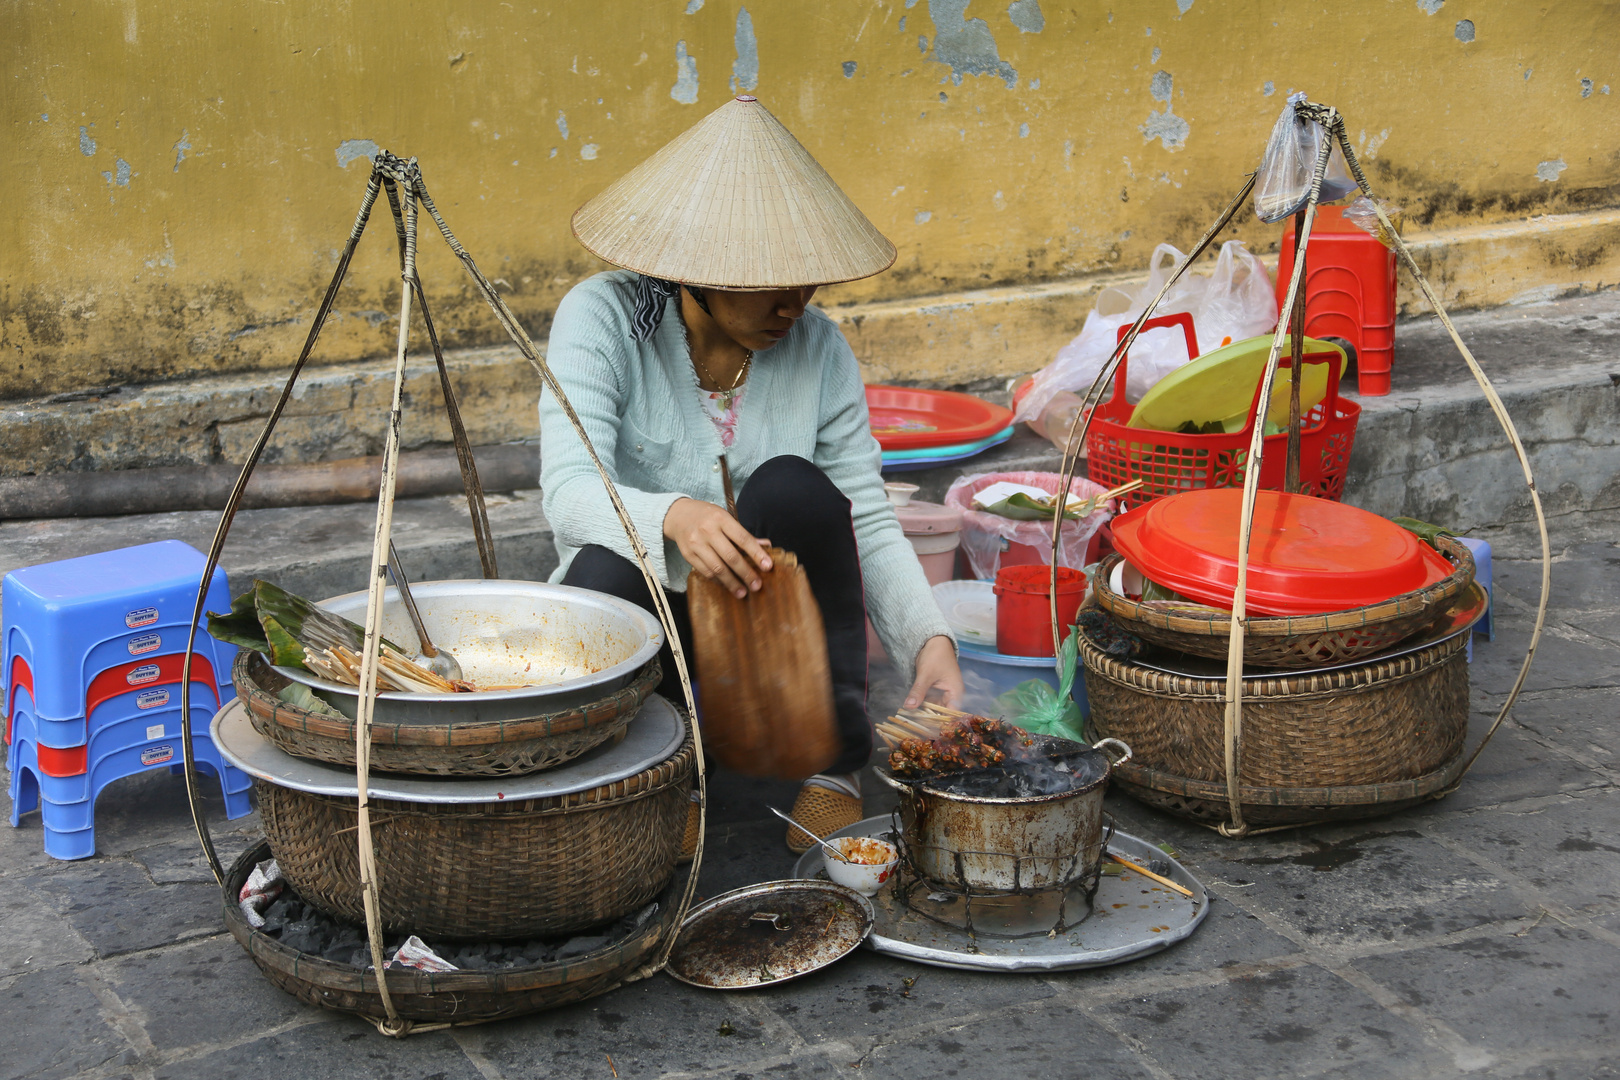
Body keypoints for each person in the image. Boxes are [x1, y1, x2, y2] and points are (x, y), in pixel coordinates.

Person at [540, 96, 962, 853]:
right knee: (607, 564)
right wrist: (674, 515)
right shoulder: (603, 318)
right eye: (768, 281)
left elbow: (862, 512)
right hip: (659, 617)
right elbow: (570, 491)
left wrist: (928, 639)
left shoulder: (819, 348)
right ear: (695, 272)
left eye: (806, 281)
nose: (793, 304)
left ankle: (834, 769)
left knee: (796, 487)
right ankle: (660, 772)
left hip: (774, 626)